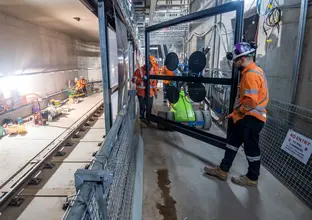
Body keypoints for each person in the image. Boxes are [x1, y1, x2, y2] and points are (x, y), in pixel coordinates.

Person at [204, 42, 269, 187]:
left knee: (251, 149)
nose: (234, 63)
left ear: (243, 58)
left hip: (251, 119)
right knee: (232, 144)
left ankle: (252, 177)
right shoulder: (253, 72)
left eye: (235, 60)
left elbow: (251, 102)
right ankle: (223, 170)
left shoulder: (250, 75)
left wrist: (236, 114)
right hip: (246, 118)